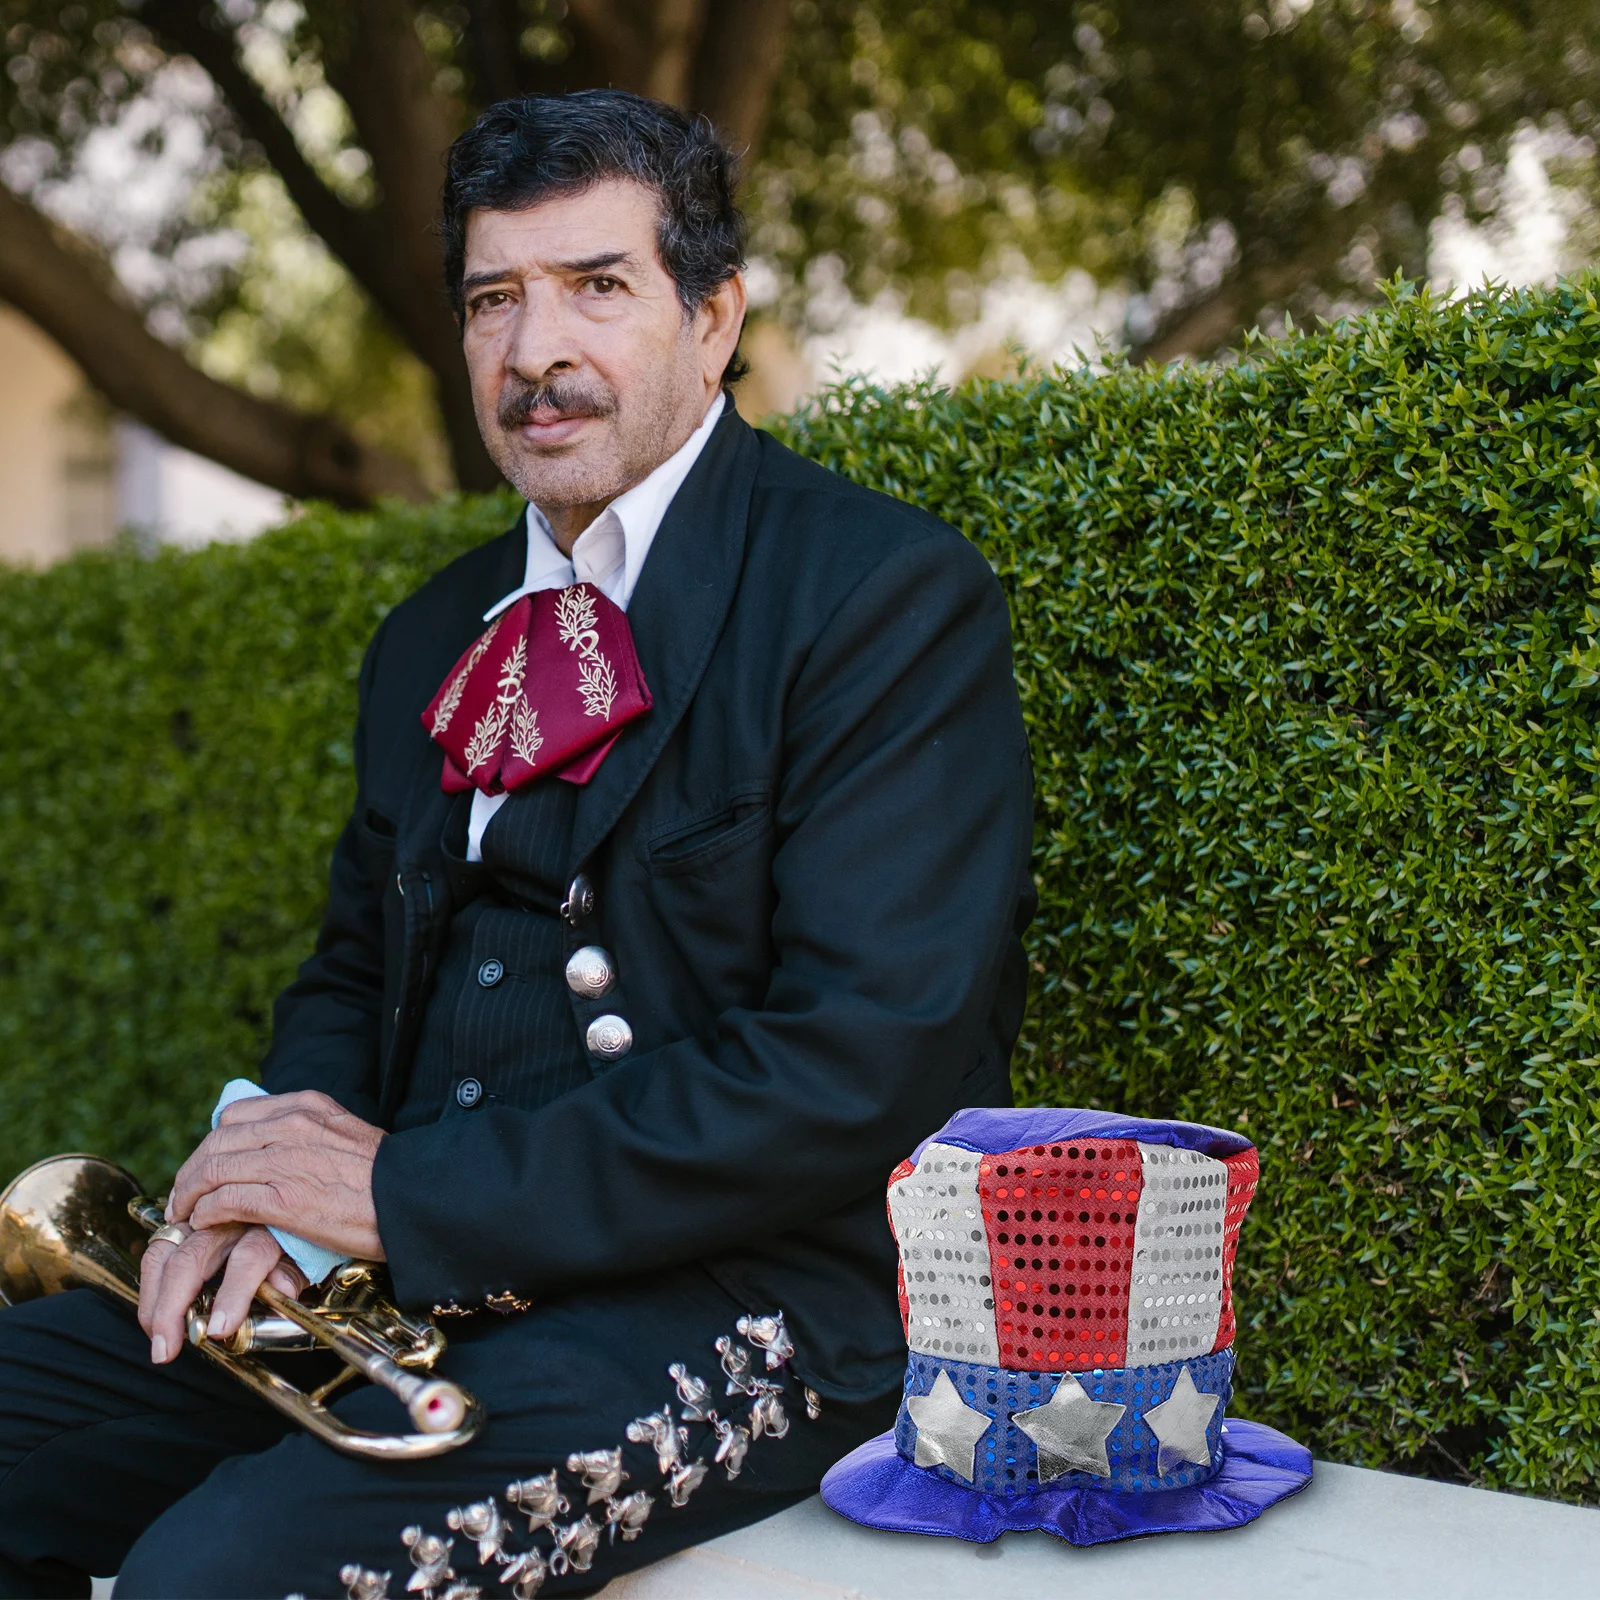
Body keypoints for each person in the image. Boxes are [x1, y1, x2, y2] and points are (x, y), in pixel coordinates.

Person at [0, 89, 1034, 1598]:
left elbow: (867, 1055)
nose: (537, 353)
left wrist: (407, 1203)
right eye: (496, 299)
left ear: (714, 316)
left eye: (598, 288)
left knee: (213, 1582)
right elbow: (357, 969)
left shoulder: (879, 597)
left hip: (760, 1308)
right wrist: (268, 1185)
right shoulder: (429, 630)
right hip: (414, 1278)